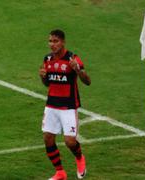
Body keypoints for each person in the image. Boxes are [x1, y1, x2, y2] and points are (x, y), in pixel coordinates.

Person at [39, 29, 91, 180]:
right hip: (51, 105)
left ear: (63, 42)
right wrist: (42, 77)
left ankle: (80, 158)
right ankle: (60, 172)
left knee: (70, 141)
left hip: (68, 106)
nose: (52, 44)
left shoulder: (72, 58)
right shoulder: (47, 59)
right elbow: (48, 84)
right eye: (50, 41)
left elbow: (88, 81)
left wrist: (78, 70)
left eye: (55, 41)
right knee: (48, 138)